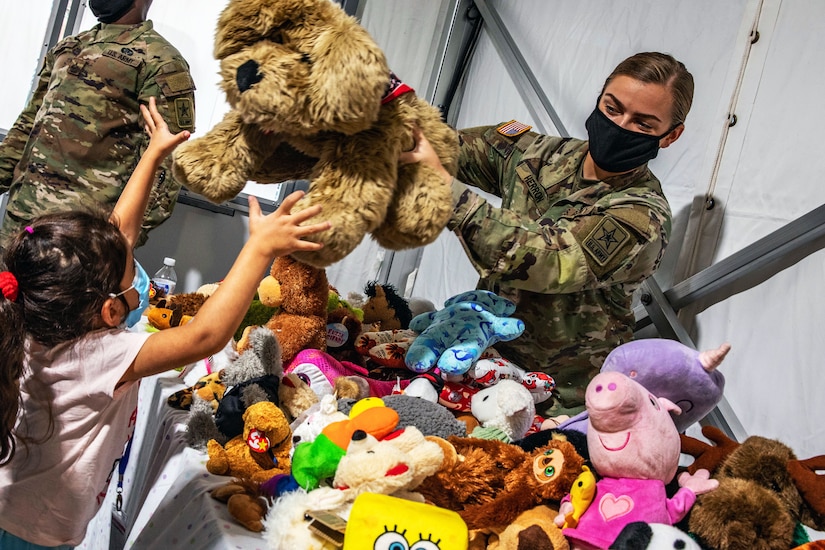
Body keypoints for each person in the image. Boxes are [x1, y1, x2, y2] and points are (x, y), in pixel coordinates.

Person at [0, 97, 330, 548]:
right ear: (110, 310)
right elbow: (204, 336)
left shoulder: (33, 316)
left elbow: (120, 233)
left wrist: (153, 154)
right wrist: (259, 250)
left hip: (12, 503)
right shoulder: (100, 354)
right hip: (36, 529)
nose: (140, 282)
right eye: (131, 276)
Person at [401, 52, 693, 417]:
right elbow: (442, 147)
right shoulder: (537, 154)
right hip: (479, 366)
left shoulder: (641, 215)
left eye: (643, 124)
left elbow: (549, 262)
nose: (620, 125)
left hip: (558, 402)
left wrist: (447, 193)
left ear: (671, 135)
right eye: (612, 108)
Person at [0, 0, 196, 251]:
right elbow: (28, 124)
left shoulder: (161, 61)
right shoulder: (71, 46)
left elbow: (166, 162)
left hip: (79, 236)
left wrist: (122, 239)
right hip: (19, 220)